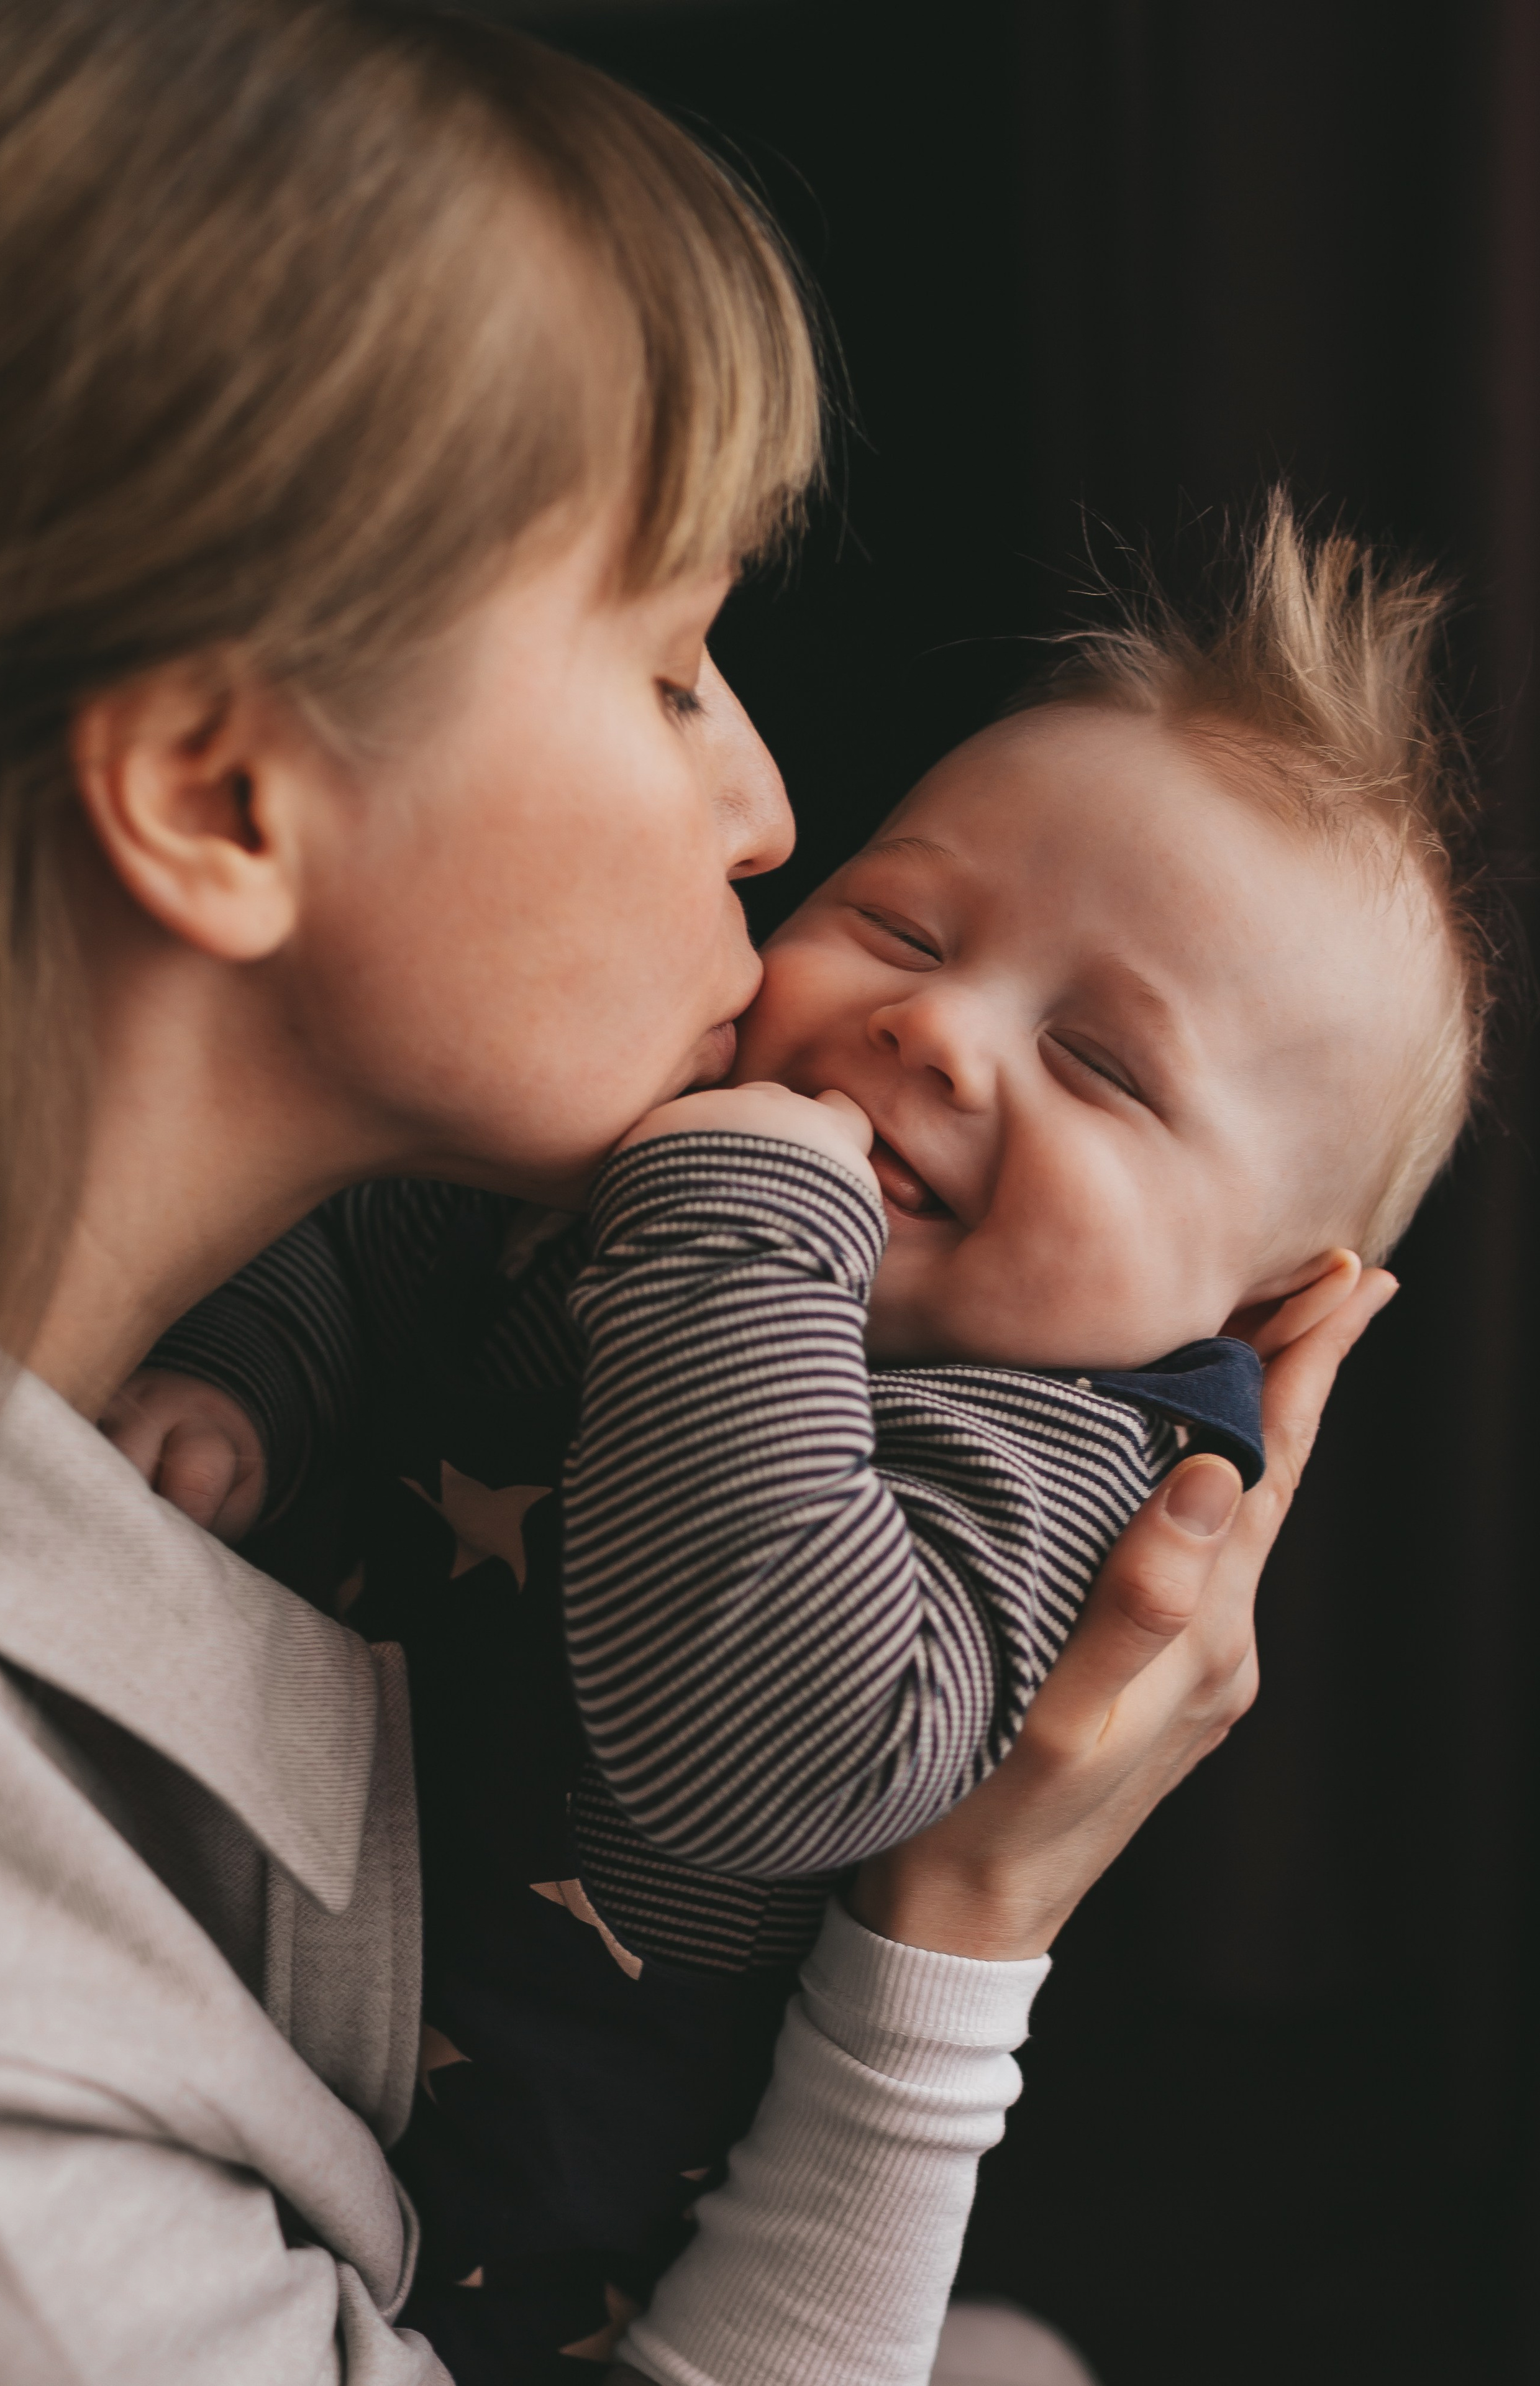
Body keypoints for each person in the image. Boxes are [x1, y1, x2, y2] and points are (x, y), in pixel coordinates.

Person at [0, 3, 1393, 2381]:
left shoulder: (1027, 1432)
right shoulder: (24, 2168)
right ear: (216, 798)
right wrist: (967, 1935)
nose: (762, 808)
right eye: (670, 662)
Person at [110, 497, 1475, 2380]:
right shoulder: (676, 1157)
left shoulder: (1062, 1454)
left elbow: (776, 1755)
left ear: (1250, 1310)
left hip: (538, 2274)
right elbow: (378, 1227)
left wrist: (750, 1224)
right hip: (252, 2082)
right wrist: (248, 1377)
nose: (930, 1030)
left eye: (1099, 1064)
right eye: (902, 922)